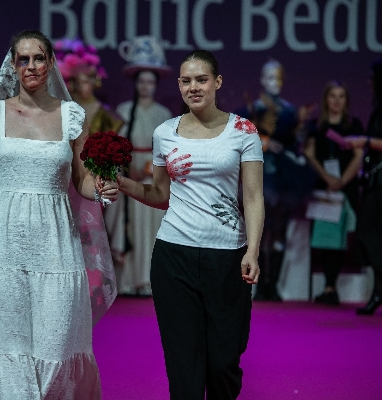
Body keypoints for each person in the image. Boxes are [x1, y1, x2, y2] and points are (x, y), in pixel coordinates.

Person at [0, 30, 119, 399]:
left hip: (57, 245)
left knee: (57, 344)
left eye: (38, 58)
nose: (31, 66)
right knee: (7, 346)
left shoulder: (72, 116)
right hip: (1, 246)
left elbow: (82, 180)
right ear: (13, 65)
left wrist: (101, 189)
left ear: (51, 63)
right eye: (23, 59)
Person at [106, 50, 264, 399]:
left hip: (227, 256)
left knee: (223, 362)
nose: (194, 87)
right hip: (174, 255)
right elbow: (160, 194)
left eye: (201, 79)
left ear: (217, 82)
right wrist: (121, 183)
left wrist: (252, 250)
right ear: (179, 85)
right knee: (183, 365)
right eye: (186, 81)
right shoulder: (166, 132)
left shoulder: (243, 131)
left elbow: (253, 197)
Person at [237, 59, 313, 301]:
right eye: (270, 77)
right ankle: (260, 285)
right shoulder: (251, 110)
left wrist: (300, 134)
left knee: (279, 228)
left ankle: (273, 284)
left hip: (284, 179)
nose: (274, 82)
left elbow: (294, 143)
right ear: (262, 80)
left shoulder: (290, 112)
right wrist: (264, 143)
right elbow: (238, 140)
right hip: (259, 176)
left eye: (278, 77)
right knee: (259, 230)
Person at [111, 37, 172, 296]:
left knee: (152, 229)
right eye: (141, 82)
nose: (145, 86)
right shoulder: (124, 110)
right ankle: (127, 280)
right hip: (128, 178)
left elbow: (168, 152)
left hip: (153, 181)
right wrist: (128, 172)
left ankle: (148, 280)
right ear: (135, 84)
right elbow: (116, 148)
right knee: (131, 227)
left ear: (155, 85)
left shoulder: (164, 114)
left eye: (150, 82)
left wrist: (151, 171)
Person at [303, 80, 364, 305]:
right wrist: (328, 178)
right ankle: (328, 287)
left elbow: (359, 156)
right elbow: (310, 155)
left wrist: (342, 181)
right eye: (332, 96)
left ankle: (332, 286)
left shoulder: (354, 126)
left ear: (346, 101)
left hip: (346, 189)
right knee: (324, 238)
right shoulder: (316, 126)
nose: (337, 101)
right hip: (324, 190)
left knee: (342, 237)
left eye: (341, 96)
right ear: (326, 99)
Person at [345, 58, 382, 316]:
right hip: (377, 180)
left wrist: (364, 141)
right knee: (372, 234)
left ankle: (381, 290)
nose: (369, 82)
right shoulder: (381, 107)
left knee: (371, 232)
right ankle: (380, 289)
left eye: (373, 78)